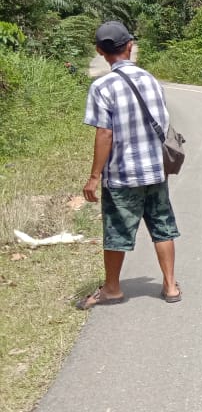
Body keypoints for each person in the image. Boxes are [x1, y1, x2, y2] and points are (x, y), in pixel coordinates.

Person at [78, 20, 181, 309]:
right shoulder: (151, 80)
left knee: (116, 231)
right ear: (130, 46)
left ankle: (112, 288)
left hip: (122, 175)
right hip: (155, 171)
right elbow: (163, 122)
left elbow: (105, 133)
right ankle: (170, 285)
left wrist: (94, 177)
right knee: (163, 227)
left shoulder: (101, 87)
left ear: (100, 51)